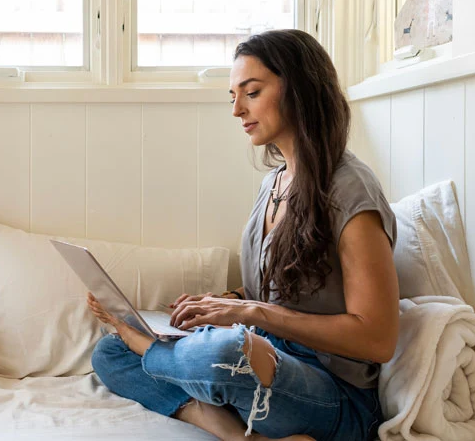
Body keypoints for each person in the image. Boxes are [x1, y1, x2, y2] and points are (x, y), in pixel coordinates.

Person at [87, 29, 399, 441]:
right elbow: (277, 293)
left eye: (251, 92)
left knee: (222, 354)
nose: (237, 110)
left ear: (300, 90)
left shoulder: (350, 191)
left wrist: (249, 314)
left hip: (333, 395)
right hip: (266, 355)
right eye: (233, 96)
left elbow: (376, 339)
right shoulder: (275, 183)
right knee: (109, 352)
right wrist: (223, 303)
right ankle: (241, 437)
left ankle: (153, 351)